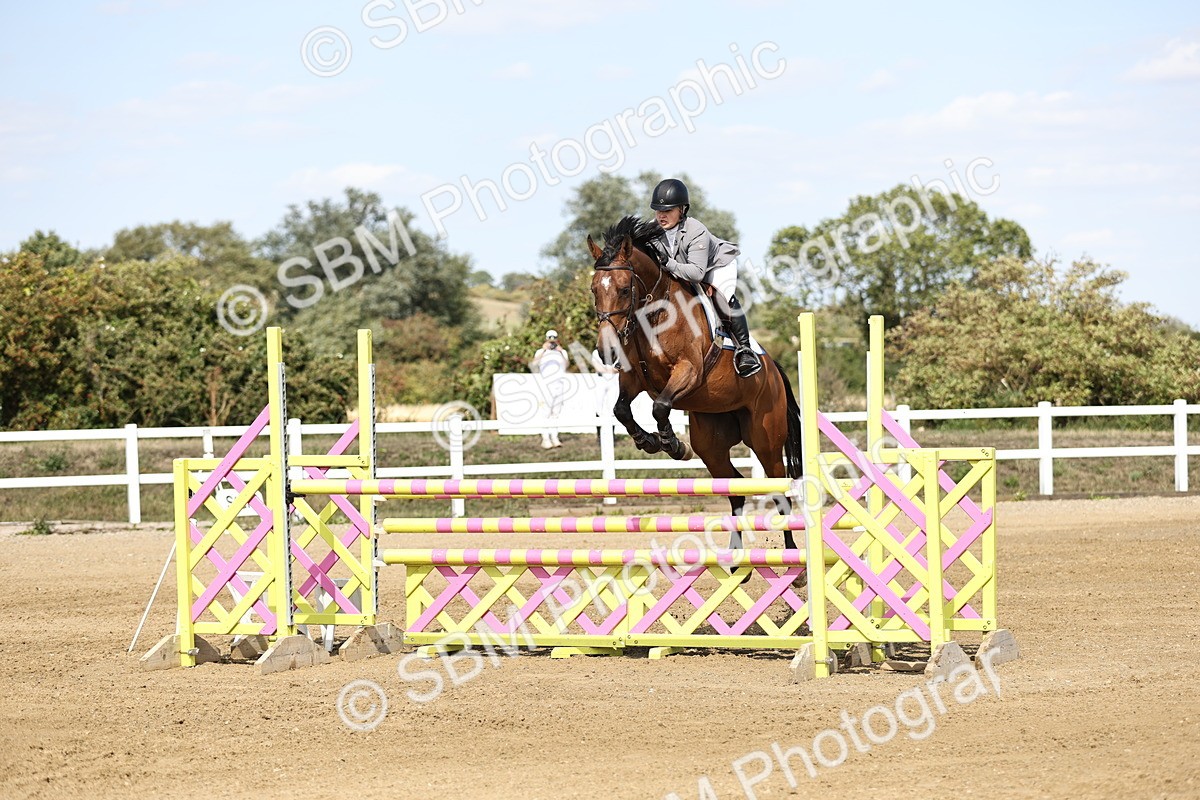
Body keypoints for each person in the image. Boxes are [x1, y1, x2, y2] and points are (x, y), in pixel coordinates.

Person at [647, 178, 762, 378]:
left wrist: (668, 263)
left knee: (722, 296)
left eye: (668, 210)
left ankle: (745, 350)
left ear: (682, 210)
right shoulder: (652, 229)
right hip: (683, 267)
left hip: (713, 266)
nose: (661, 215)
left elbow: (696, 273)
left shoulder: (695, 229)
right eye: (658, 210)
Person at [531, 329, 569, 448]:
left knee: (556, 413)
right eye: (550, 339)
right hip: (546, 385)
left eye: (554, 339)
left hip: (559, 385)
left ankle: (555, 437)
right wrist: (544, 350)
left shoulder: (562, 352)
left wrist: (561, 351)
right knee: (546, 412)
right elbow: (534, 364)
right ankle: (545, 438)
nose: (552, 342)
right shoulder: (540, 352)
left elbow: (567, 365)